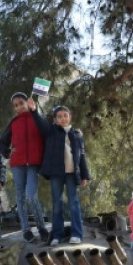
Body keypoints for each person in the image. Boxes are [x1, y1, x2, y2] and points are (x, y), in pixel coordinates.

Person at [0, 93, 50, 242]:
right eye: (16, 105)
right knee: (20, 197)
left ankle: (41, 228)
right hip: (18, 164)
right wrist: (8, 152)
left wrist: (34, 112)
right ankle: (26, 229)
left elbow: (46, 131)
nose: (19, 107)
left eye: (21, 103)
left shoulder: (38, 119)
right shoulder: (13, 123)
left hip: (34, 164)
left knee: (31, 196)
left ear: (28, 102)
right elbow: (1, 143)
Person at [38, 105, 90, 246]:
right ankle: (57, 235)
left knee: (74, 202)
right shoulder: (51, 132)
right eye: (59, 116)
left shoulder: (77, 134)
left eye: (65, 115)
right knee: (57, 204)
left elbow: (82, 156)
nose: (63, 118)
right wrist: (33, 108)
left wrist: (84, 175)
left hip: (72, 173)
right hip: (56, 173)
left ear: (70, 117)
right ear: (55, 119)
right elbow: (40, 122)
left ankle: (77, 234)